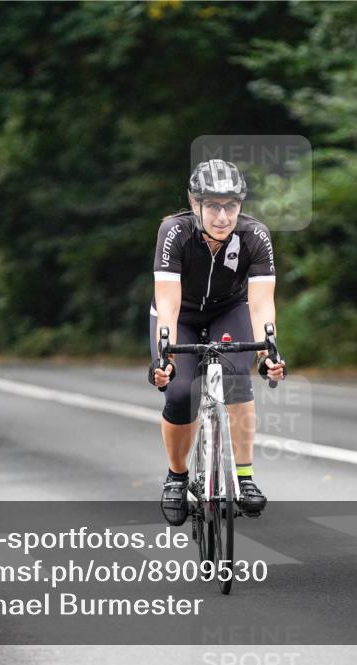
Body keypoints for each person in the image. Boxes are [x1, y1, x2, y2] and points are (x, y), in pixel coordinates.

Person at [149, 158, 286, 527]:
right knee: (180, 394)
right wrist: (166, 355)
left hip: (230, 310)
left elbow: (260, 304)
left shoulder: (255, 236)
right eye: (212, 205)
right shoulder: (174, 232)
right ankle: (177, 477)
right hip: (181, 315)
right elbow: (167, 300)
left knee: (238, 381)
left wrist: (267, 350)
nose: (223, 216)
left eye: (231, 206)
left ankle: (243, 477)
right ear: (195, 204)